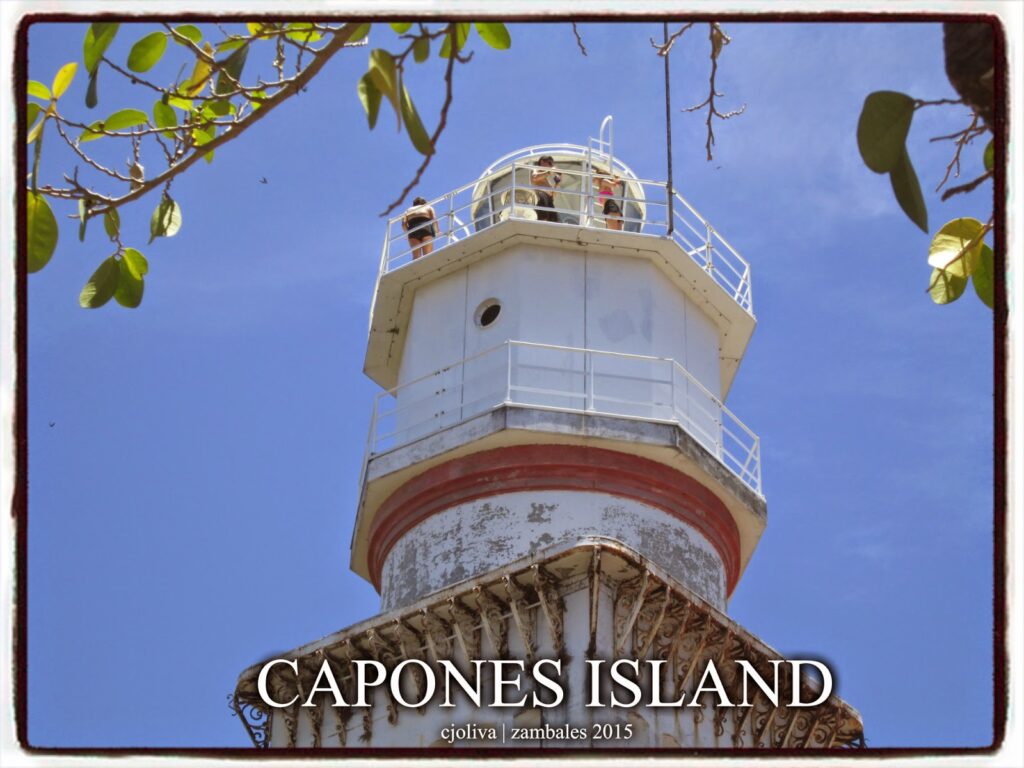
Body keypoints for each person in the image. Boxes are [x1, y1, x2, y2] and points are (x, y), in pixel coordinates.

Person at [530, 155, 561, 223]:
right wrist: (549, 171)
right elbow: (535, 177)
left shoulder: (546, 180)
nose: (551, 166)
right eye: (550, 163)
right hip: (541, 196)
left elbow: (553, 195)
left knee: (555, 222)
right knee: (543, 218)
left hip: (549, 201)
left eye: (552, 165)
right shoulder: (536, 169)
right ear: (542, 162)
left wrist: (557, 183)